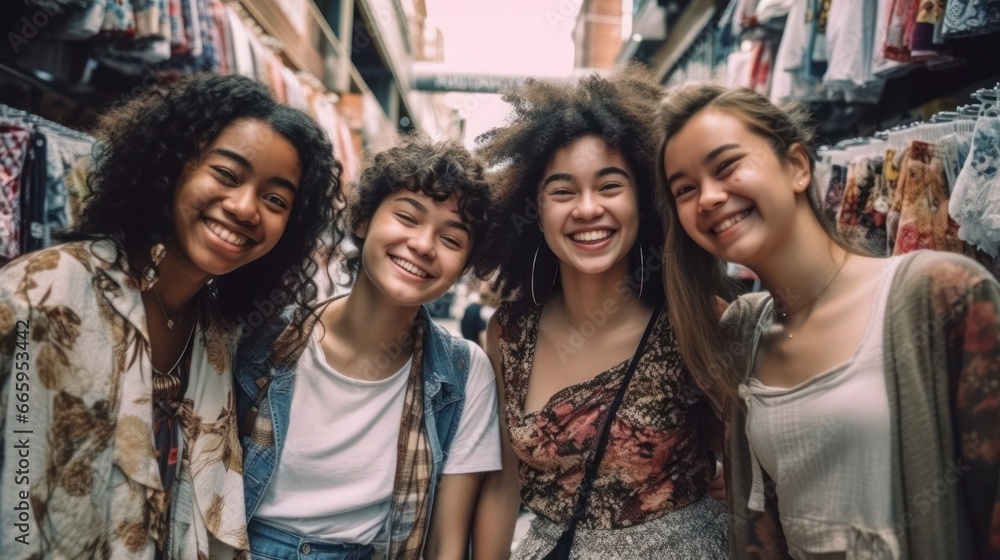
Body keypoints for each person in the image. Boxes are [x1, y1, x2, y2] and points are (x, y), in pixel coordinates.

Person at [0, 73, 342, 559]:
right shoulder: (46, 288)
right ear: (172, 166)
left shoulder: (222, 334)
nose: (246, 207)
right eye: (226, 174)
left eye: (275, 199)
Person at [656, 82, 1000, 559]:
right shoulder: (742, 331)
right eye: (685, 189)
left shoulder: (941, 293)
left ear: (797, 166)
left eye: (727, 166)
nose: (709, 197)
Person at [472, 65, 729, 559]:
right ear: (535, 210)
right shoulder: (508, 333)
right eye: (563, 191)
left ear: (644, 200)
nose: (587, 209)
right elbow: (501, 487)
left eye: (610, 186)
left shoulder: (697, 320)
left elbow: (751, 462)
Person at [236, 136, 502, 560]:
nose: (423, 245)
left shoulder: (463, 373)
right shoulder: (263, 338)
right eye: (406, 218)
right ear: (362, 220)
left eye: (451, 240)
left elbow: (446, 544)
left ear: (464, 268)